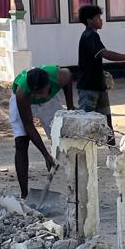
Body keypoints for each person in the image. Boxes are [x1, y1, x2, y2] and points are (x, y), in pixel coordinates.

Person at [10, 64, 74, 198]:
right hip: (25, 103)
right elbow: (29, 126)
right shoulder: (22, 93)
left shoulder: (60, 76)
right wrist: (45, 154)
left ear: (48, 85)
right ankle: (24, 194)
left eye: (40, 92)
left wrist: (70, 107)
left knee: (64, 137)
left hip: (49, 102)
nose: (38, 97)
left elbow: (68, 78)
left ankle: (74, 188)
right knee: (21, 142)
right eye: (35, 93)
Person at [76, 4, 125, 127]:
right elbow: (106, 54)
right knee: (87, 122)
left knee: (105, 122)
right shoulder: (90, 36)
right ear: (89, 21)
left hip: (98, 85)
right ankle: (106, 145)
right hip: (89, 87)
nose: (101, 20)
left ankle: (110, 145)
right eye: (98, 17)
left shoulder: (91, 35)